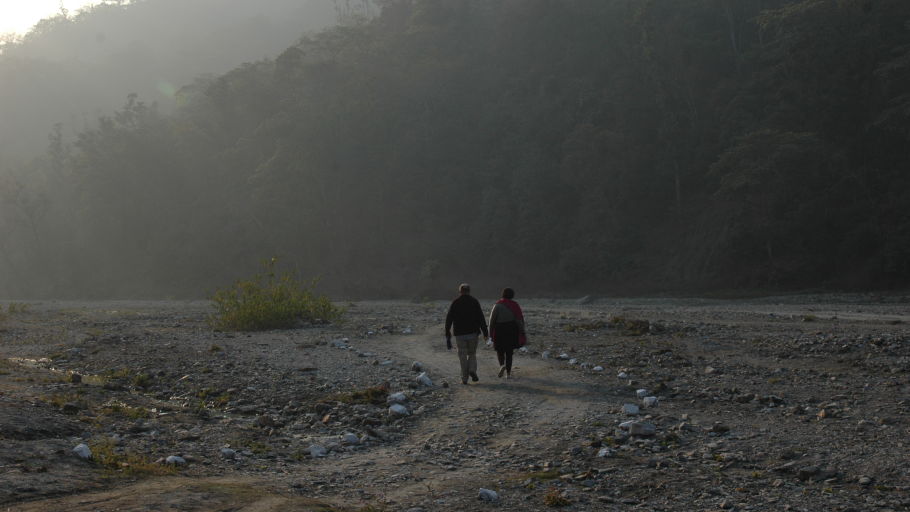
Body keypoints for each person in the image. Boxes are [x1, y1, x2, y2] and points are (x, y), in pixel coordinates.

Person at [444, 283, 489, 385]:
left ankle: (464, 378)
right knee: (472, 353)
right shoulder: (474, 301)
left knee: (462, 355)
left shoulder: (455, 302)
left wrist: (447, 331)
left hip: (460, 334)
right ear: (469, 291)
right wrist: (485, 332)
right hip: (473, 333)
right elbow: (481, 318)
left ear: (460, 291)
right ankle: (472, 369)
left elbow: (449, 318)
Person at [488, 287, 526, 379]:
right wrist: (522, 331)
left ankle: (502, 365)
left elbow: (491, 321)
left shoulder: (497, 305)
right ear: (512, 295)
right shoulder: (515, 305)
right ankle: (508, 374)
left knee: (500, 350)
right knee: (509, 352)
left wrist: (490, 334)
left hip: (499, 330)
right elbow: (519, 320)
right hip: (511, 330)